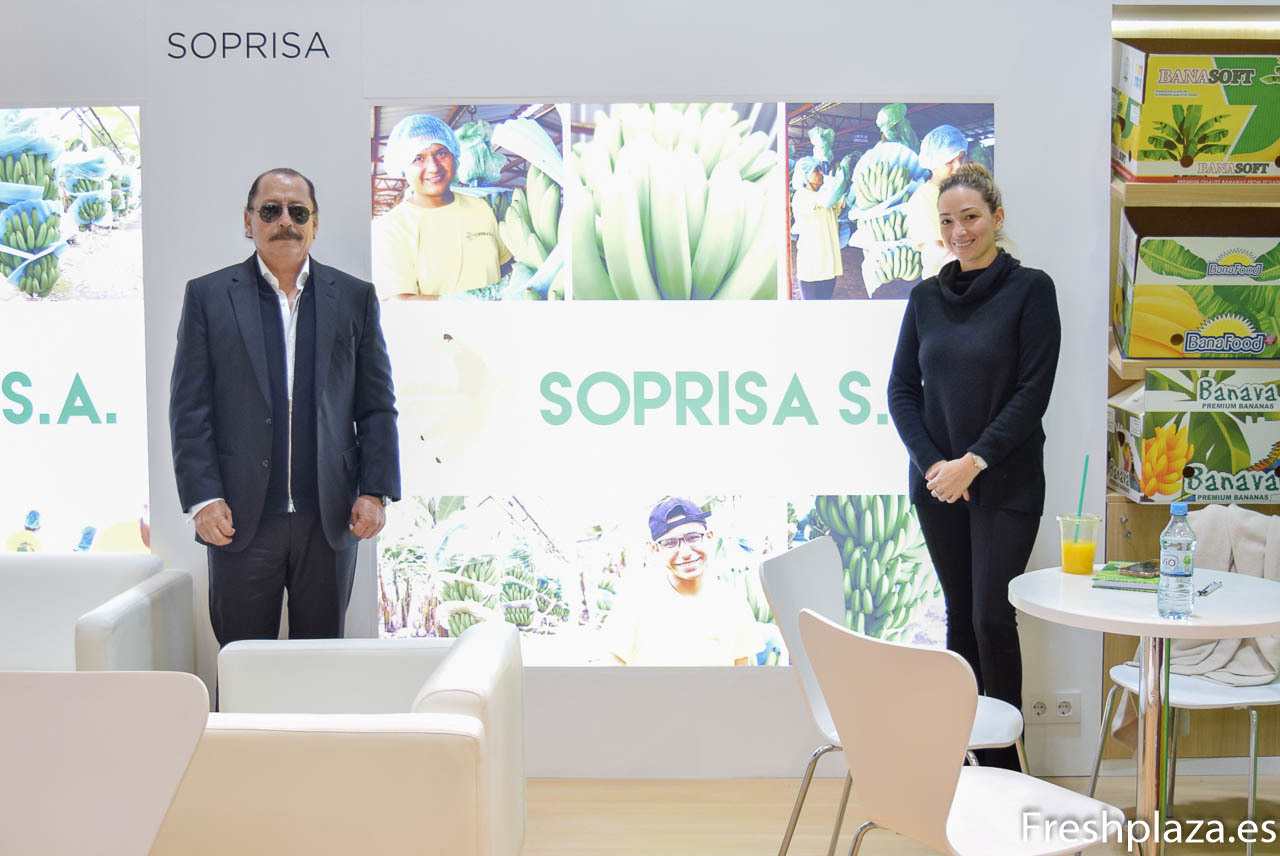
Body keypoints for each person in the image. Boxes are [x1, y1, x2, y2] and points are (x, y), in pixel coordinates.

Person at [170, 168, 400, 646]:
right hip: (238, 519)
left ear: (315, 223)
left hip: (331, 518)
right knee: (242, 661)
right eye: (270, 210)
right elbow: (190, 409)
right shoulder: (209, 296)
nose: (285, 222)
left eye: (298, 212)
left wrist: (375, 491)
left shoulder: (354, 297)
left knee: (320, 664)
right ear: (248, 220)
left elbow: (376, 406)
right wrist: (203, 498)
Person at [886, 162, 1061, 770]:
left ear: (997, 218)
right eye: (947, 221)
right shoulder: (924, 299)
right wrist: (936, 465)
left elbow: (1032, 392)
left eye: (971, 217)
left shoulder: (1031, 290)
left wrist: (974, 461)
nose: (959, 231)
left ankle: (1007, 767)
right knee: (960, 615)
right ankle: (966, 762)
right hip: (938, 486)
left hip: (1006, 482)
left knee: (991, 616)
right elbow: (901, 391)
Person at [602, 497, 760, 666]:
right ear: (656, 549)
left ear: (709, 537)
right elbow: (611, 668)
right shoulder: (636, 602)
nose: (685, 553)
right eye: (670, 543)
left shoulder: (733, 602)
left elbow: (741, 673)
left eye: (692, 538)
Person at [372, 113, 512, 300]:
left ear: (455, 156)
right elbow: (398, 300)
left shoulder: (481, 207)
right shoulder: (391, 227)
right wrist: (467, 303)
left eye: (441, 153)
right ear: (403, 169)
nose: (434, 167)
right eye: (418, 158)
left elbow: (505, 265)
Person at [904, 124, 968, 280]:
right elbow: (935, 256)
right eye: (949, 162)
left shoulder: (964, 192)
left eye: (961, 158)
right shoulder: (922, 200)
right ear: (933, 163)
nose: (958, 167)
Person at [791, 156, 843, 300]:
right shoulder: (801, 197)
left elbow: (840, 203)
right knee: (811, 310)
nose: (821, 173)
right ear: (805, 176)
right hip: (812, 267)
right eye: (816, 170)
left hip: (829, 266)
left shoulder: (823, 195)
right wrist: (841, 179)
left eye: (821, 169)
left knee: (826, 306)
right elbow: (827, 200)